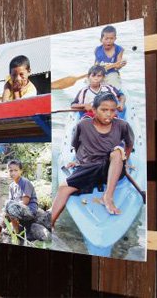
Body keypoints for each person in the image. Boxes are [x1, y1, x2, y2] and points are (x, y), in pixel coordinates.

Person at [52, 92, 134, 227]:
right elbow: (76, 146)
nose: (109, 114)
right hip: (89, 168)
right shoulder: (83, 125)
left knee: (117, 152)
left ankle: (108, 196)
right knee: (63, 189)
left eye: (112, 110)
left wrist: (124, 163)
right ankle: (51, 224)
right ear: (94, 110)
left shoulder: (122, 125)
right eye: (104, 110)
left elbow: (129, 145)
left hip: (111, 169)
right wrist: (79, 162)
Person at [0, 160, 38, 240]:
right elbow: (10, 201)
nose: (13, 173)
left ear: (21, 171)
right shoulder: (11, 185)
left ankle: (17, 231)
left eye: (16, 170)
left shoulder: (25, 182)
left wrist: (8, 210)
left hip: (28, 212)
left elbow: (25, 202)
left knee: (9, 205)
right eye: (10, 170)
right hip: (15, 211)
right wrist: (5, 213)